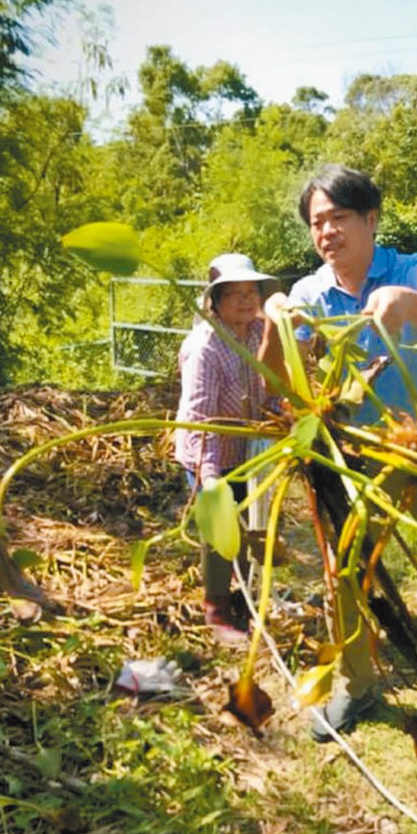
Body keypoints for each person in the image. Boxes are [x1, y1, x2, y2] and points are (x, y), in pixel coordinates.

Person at [266, 165, 417, 740]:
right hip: (350, 457)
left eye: (338, 218)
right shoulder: (308, 294)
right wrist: (276, 327)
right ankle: (357, 688)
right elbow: (282, 383)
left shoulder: (414, 269)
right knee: (344, 574)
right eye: (316, 223)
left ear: (371, 219)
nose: (326, 232)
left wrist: (408, 304)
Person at [175, 253, 284, 645]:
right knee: (220, 530)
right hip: (210, 450)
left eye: (251, 291)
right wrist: (210, 480)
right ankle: (216, 609)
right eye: (233, 294)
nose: (245, 300)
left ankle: (246, 594)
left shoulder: (258, 333)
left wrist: (283, 416)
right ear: (215, 302)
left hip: (249, 447)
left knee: (252, 523)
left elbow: (271, 387)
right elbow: (198, 418)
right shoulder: (204, 345)